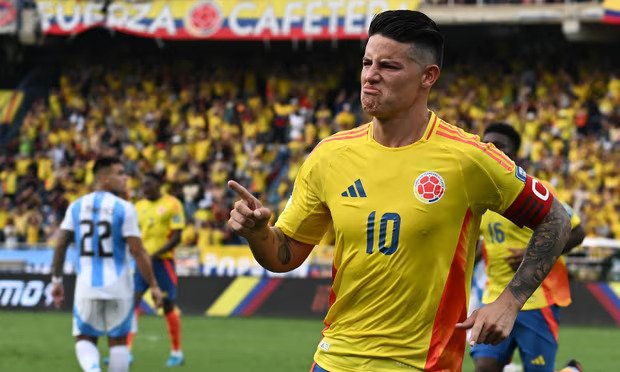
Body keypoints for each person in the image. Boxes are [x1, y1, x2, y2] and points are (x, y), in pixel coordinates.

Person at [227, 10, 571, 372]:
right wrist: (258, 233)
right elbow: (285, 256)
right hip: (334, 359)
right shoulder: (330, 156)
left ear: (428, 76)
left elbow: (557, 220)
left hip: (423, 364)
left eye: (388, 66)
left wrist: (510, 301)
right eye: (367, 62)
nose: (370, 76)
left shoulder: (468, 158)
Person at [472, 123, 585, 372]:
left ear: (516, 156)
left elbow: (577, 231)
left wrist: (529, 254)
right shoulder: (478, 196)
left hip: (536, 299)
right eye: (487, 144)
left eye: (500, 146)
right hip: (493, 298)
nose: (491, 149)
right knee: (484, 366)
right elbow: (487, 242)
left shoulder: (538, 191)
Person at [51, 157, 163, 372]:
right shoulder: (125, 208)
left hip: (86, 285)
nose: (125, 178)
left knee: (84, 337)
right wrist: (154, 286)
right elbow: (138, 251)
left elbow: (61, 244)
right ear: (103, 178)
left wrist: (56, 280)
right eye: (119, 173)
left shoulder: (76, 206)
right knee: (119, 341)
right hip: (119, 286)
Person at [130, 172, 186, 367]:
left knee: (168, 304)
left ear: (158, 184)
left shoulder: (173, 204)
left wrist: (152, 256)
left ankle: (177, 352)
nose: (144, 187)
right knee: (133, 302)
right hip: (141, 263)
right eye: (143, 184)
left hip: (163, 263)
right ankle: (125, 351)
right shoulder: (138, 206)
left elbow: (177, 236)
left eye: (148, 183)